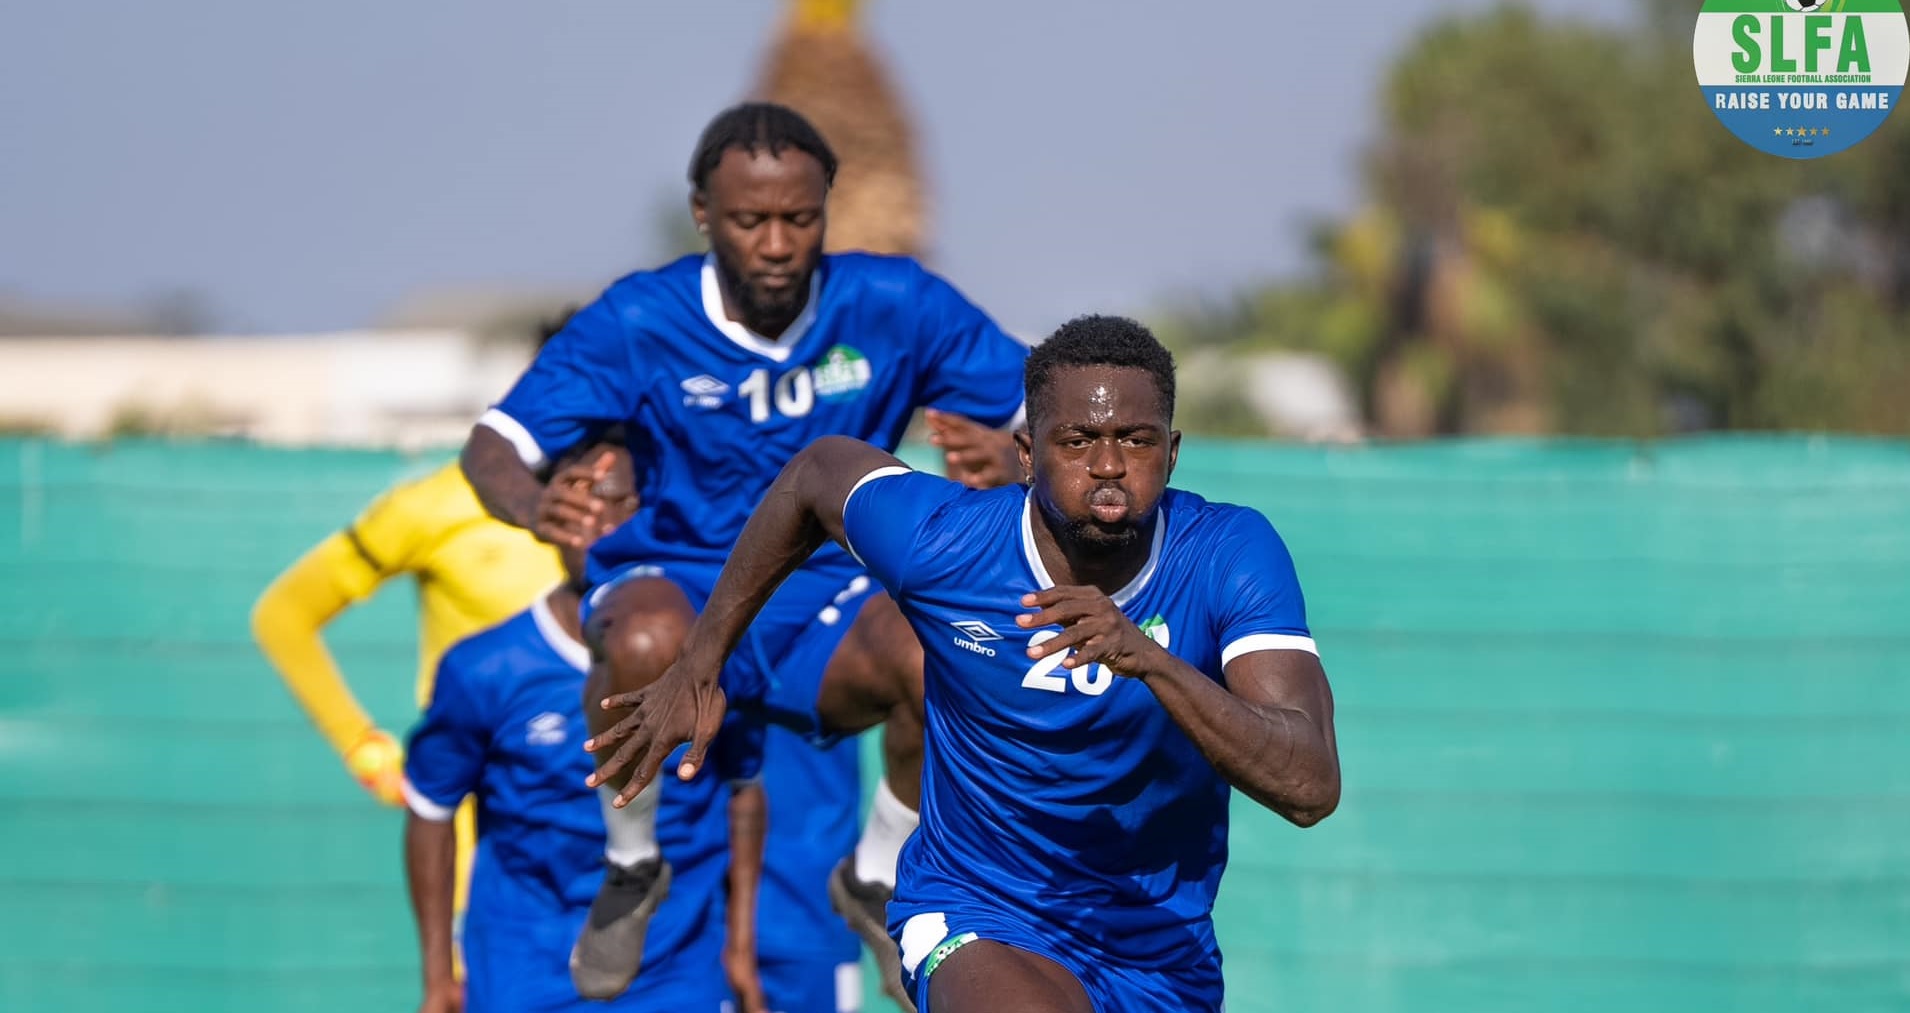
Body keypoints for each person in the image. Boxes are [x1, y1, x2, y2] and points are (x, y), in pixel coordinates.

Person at [586, 316, 1343, 1013]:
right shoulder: (944, 541)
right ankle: (879, 874)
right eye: (1077, 441)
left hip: (1158, 950)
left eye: (1137, 440)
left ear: (1172, 452)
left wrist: (1151, 660)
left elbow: (1309, 784)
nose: (1109, 465)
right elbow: (816, 474)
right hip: (980, 909)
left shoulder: (1227, 555)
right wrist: (699, 660)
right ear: (1026, 453)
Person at [458, 101, 1028, 1005]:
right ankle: (634, 864)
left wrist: (1019, 455)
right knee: (641, 638)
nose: (774, 242)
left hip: (827, 602)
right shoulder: (639, 318)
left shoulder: (894, 303)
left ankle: (877, 875)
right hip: (677, 587)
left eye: (798, 219)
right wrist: (536, 503)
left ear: (827, 209)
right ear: (702, 213)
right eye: (749, 220)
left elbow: (1046, 404)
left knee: (944, 654)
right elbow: (494, 444)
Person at [402, 440, 759, 1013]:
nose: (597, 520)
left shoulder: (712, 658)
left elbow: (744, 793)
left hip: (675, 969)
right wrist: (438, 977)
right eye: (578, 498)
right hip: (527, 967)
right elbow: (430, 811)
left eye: (619, 500)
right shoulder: (486, 668)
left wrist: (741, 951)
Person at [250, 402, 565, 921]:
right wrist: (362, 748)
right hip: (486, 839)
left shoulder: (642, 501)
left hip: (623, 821)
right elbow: (284, 614)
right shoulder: (435, 507)